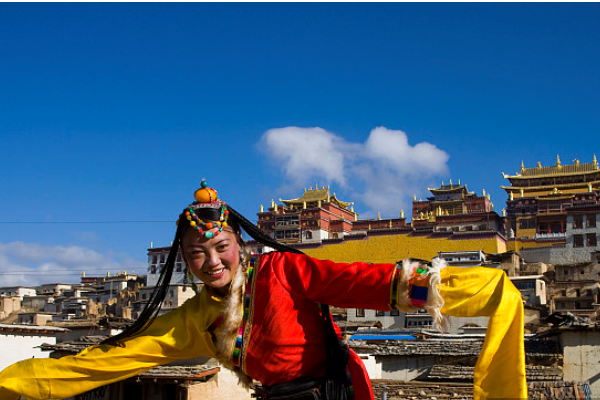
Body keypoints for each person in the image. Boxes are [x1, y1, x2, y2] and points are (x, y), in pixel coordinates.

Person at [0, 181, 527, 400]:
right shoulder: (192, 319)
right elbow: (108, 360)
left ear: (242, 245)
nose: (211, 262)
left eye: (220, 247)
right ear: (182, 263)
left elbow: (370, 282)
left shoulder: (285, 272)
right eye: (196, 255)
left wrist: (470, 289)